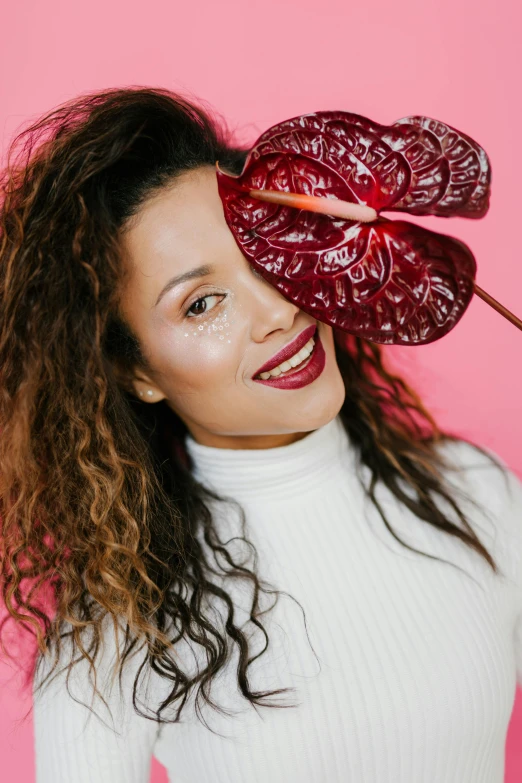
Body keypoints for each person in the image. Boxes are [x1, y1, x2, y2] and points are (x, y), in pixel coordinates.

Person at [0, 87, 521, 783]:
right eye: (202, 302)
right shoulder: (118, 629)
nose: (275, 309)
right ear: (136, 372)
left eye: (267, 250)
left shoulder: (478, 495)